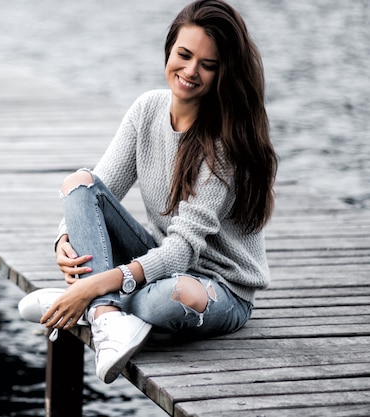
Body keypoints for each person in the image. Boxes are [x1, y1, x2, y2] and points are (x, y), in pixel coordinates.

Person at [18, 0, 277, 384]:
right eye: (184, 55)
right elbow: (96, 189)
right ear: (169, 49)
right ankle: (106, 315)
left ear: (224, 73)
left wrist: (90, 285)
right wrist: (62, 238)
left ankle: (91, 303)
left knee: (168, 299)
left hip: (219, 287)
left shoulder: (224, 145)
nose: (190, 71)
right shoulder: (146, 110)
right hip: (156, 262)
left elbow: (181, 251)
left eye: (208, 65)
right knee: (78, 181)